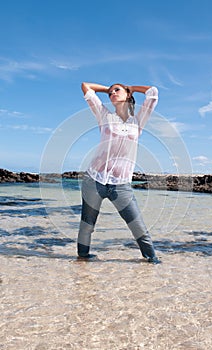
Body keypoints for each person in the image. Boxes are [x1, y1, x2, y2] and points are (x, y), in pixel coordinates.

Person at [77, 81, 160, 264]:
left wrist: (132, 87)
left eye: (117, 90)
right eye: (110, 93)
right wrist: (108, 89)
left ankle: (153, 261)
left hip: (121, 184)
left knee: (138, 226)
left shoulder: (138, 121)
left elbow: (152, 93)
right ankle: (82, 260)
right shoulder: (104, 116)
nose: (112, 93)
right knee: (87, 225)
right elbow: (86, 86)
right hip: (94, 180)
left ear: (128, 95)